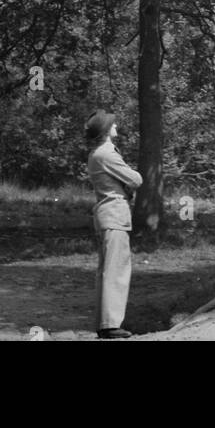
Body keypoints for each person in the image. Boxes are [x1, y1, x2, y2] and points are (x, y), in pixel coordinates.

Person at [85, 109, 142, 339]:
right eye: (113, 125)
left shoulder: (99, 153)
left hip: (108, 216)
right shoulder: (106, 154)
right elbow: (135, 179)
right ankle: (110, 324)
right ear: (106, 130)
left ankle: (105, 323)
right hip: (114, 216)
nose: (116, 127)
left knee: (108, 271)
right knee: (116, 270)